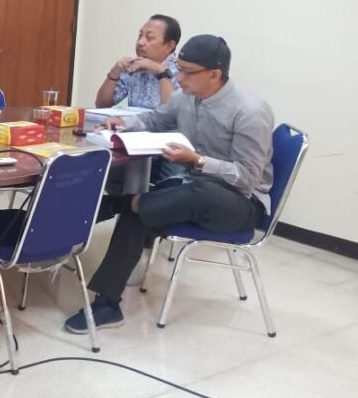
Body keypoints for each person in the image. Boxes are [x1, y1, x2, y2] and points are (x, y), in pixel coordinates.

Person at [65, 35, 274, 333]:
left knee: (193, 193)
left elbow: (247, 177)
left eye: (187, 72)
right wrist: (124, 125)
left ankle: (115, 204)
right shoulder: (185, 97)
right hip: (191, 190)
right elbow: (155, 120)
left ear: (214, 74)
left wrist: (197, 160)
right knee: (142, 208)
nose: (179, 77)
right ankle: (107, 304)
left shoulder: (250, 111)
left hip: (239, 202)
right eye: (179, 69)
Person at [95, 14, 182, 109]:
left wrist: (160, 71)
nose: (140, 42)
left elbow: (173, 112)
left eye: (149, 38)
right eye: (140, 36)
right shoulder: (135, 67)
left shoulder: (183, 72)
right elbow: (102, 105)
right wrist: (114, 74)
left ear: (169, 46)